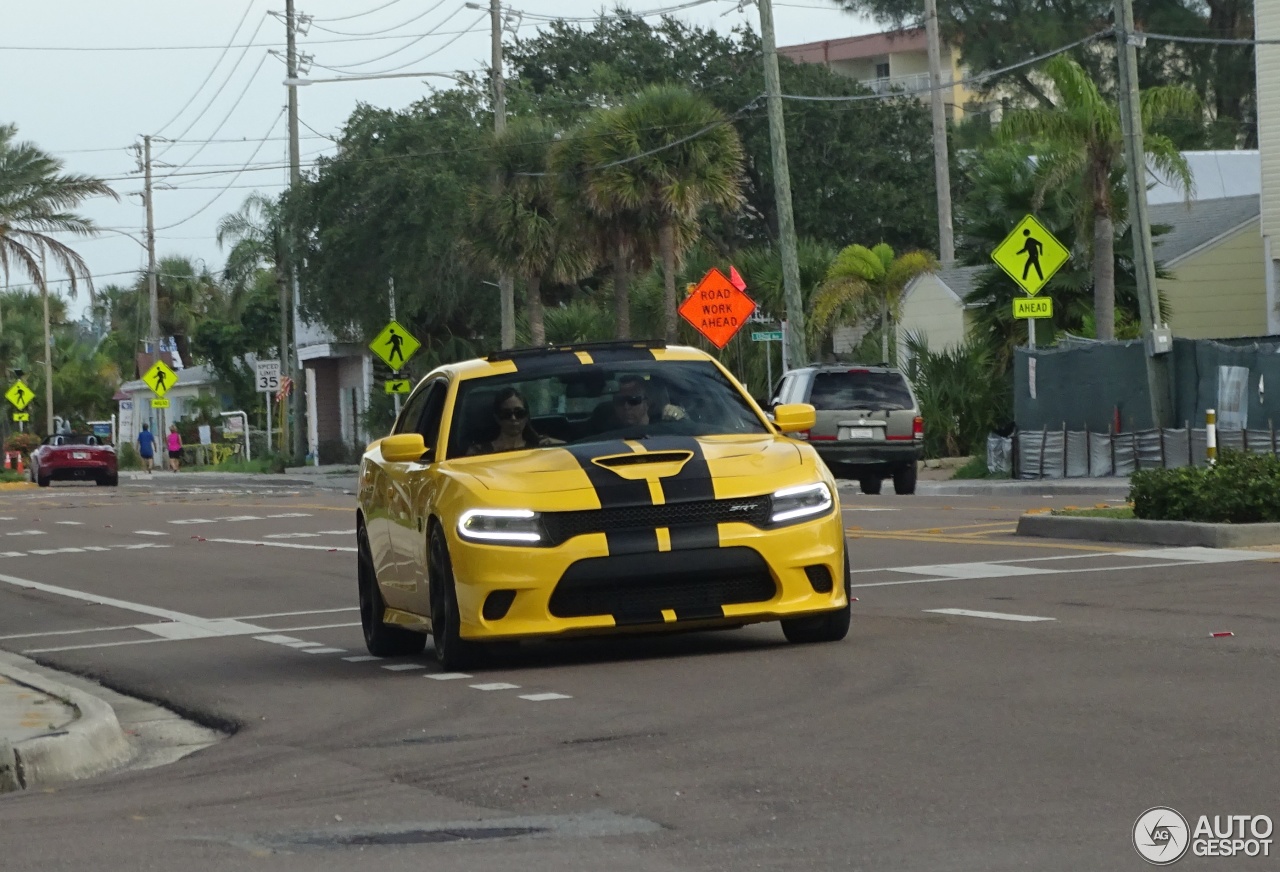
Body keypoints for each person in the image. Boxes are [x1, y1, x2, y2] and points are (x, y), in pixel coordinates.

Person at [466, 387, 562, 456]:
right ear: (497, 418)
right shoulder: (479, 452)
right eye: (506, 414)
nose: (513, 418)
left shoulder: (540, 448)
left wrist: (558, 445)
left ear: (526, 416)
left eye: (519, 413)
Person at [600, 375, 687, 431]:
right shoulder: (602, 432)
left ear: (647, 402)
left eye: (633, 400)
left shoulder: (665, 429)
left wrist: (682, 416)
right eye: (620, 401)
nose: (626, 407)